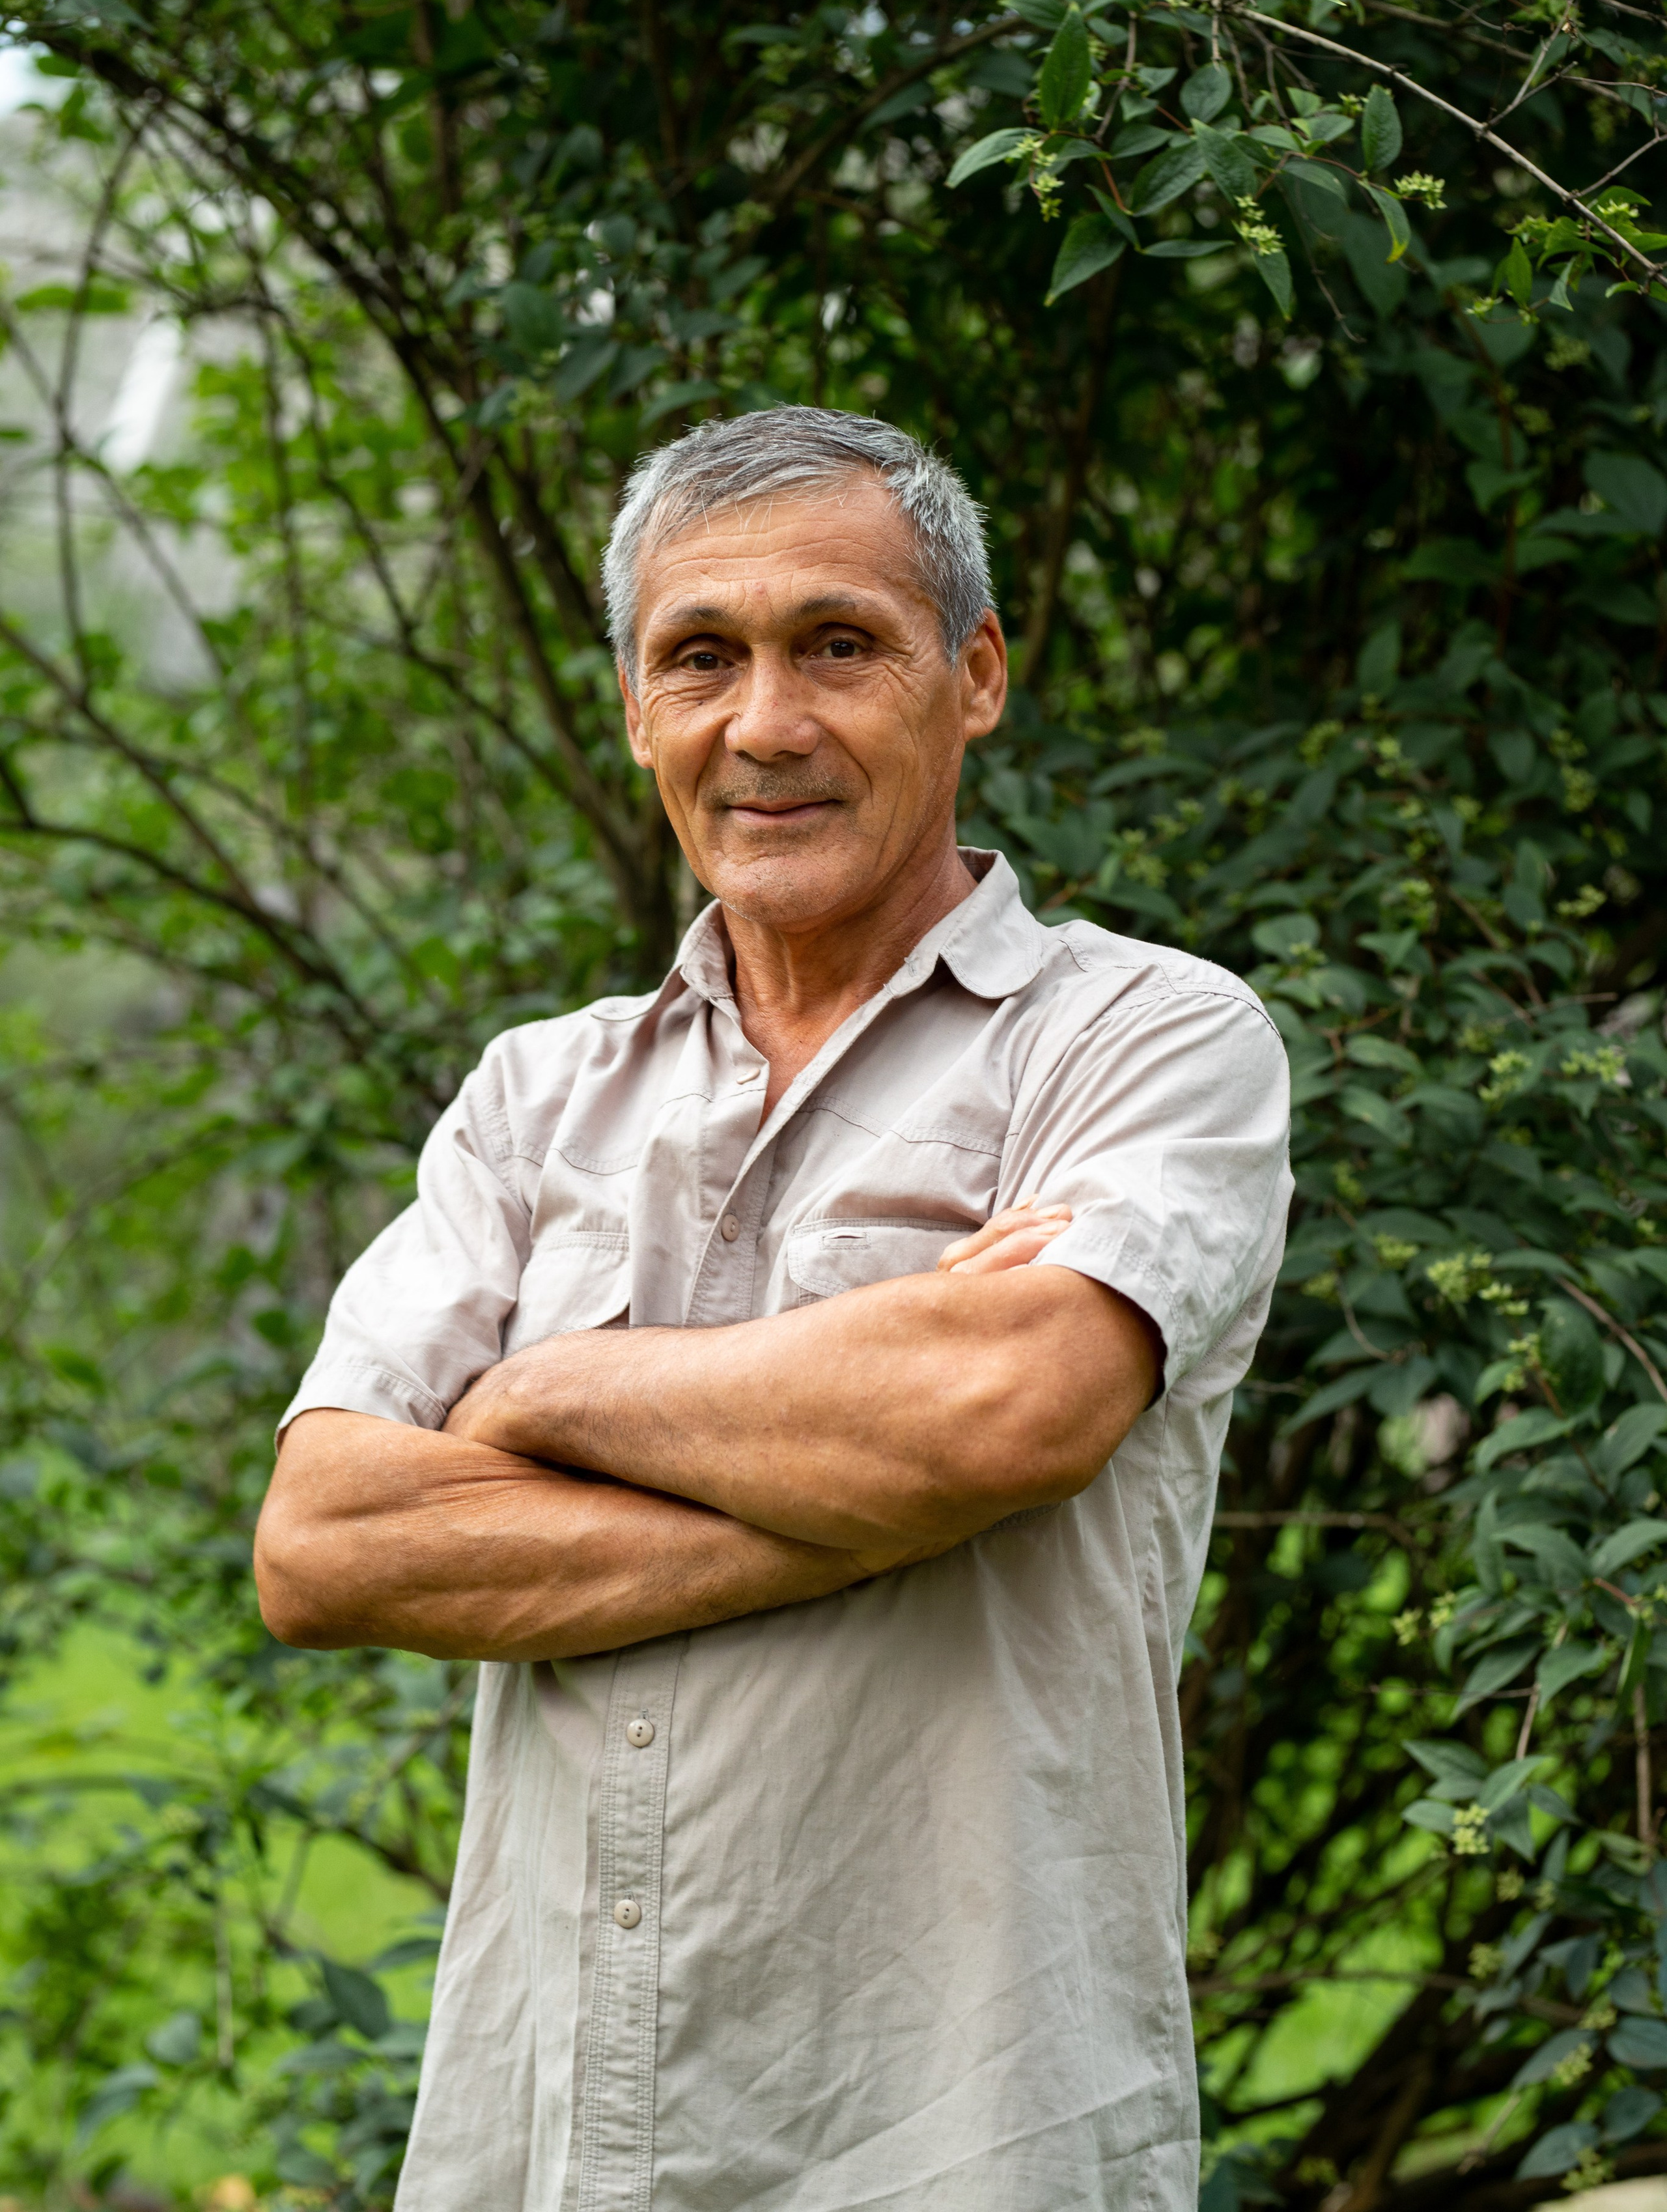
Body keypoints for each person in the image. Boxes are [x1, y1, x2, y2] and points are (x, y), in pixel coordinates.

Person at [254, 404, 1291, 2212]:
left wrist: (548, 1388)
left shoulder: (1148, 1042)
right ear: (641, 708)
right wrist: (868, 1493)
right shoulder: (532, 1098)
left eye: (838, 644)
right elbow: (327, 1545)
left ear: (973, 674)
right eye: (700, 658)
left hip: (967, 2140)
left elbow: (1007, 1416)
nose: (766, 724)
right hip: (548, 2142)